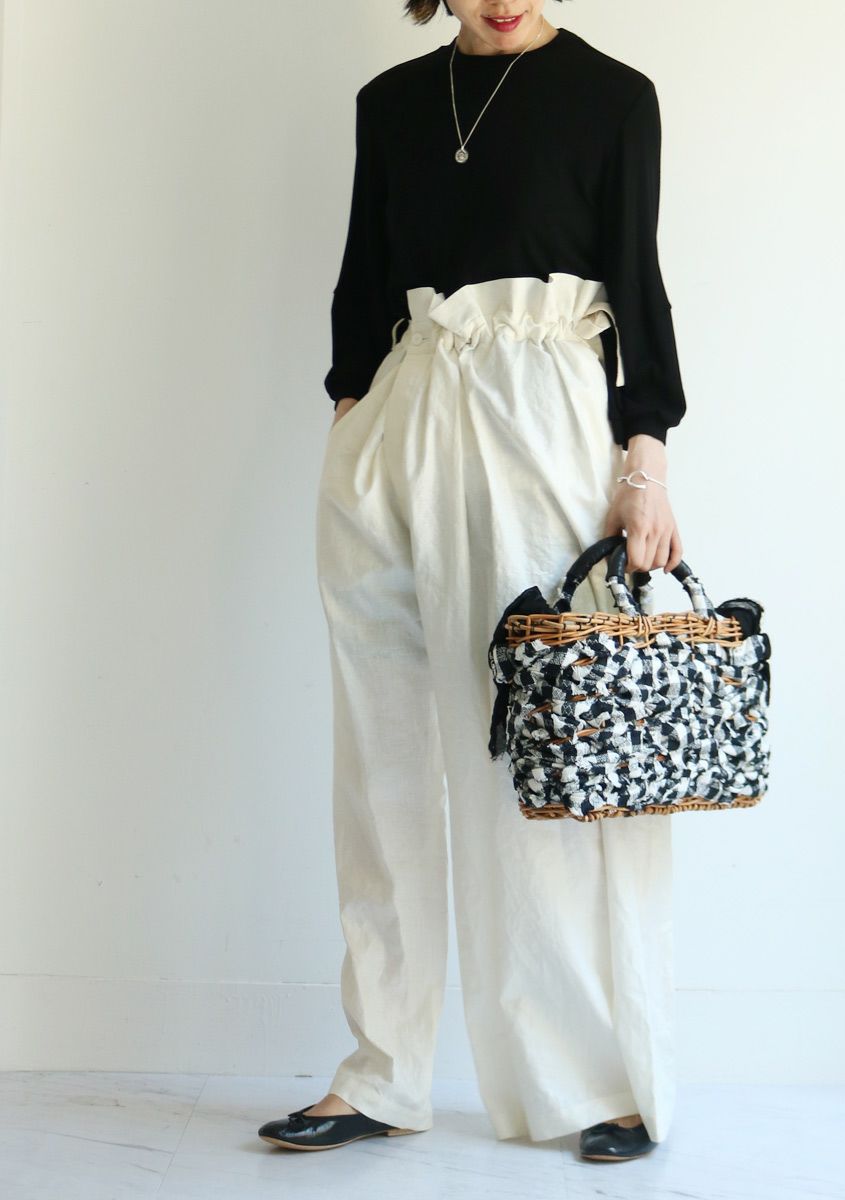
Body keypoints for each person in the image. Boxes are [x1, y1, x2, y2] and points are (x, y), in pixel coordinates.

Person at [258, 0, 687, 1164]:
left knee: (529, 758)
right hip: (397, 419)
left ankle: (581, 1083)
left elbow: (637, 286)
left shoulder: (612, 98)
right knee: (380, 762)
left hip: (539, 421)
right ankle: (382, 1072)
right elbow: (365, 277)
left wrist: (643, 464)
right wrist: (350, 429)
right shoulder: (392, 103)